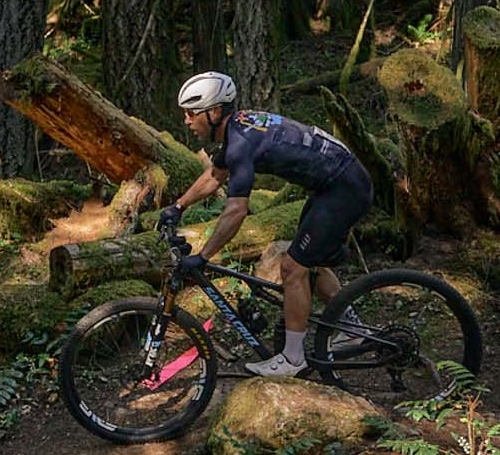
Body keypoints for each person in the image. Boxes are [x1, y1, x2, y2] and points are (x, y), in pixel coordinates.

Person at [153, 70, 374, 378]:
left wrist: (203, 257)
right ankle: (352, 327)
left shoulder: (240, 143)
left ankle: (293, 359)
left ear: (214, 112)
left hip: (343, 187)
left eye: (191, 113)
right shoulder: (236, 129)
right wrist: (178, 206)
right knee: (309, 258)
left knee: (293, 268)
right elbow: (215, 175)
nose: (186, 121)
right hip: (335, 183)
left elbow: (236, 211)